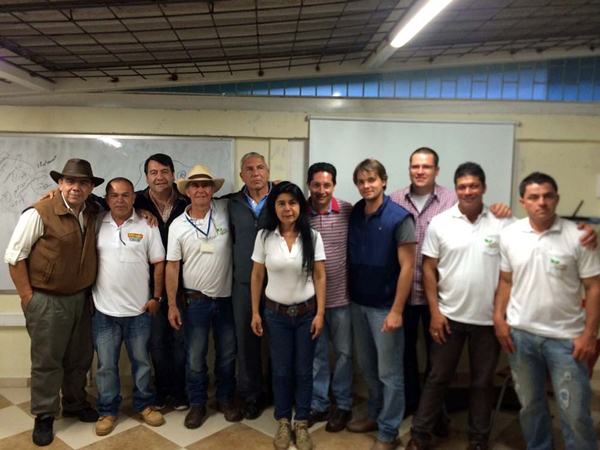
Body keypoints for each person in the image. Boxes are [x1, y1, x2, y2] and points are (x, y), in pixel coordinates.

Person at [406, 163, 512, 450]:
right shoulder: (440, 222)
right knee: (437, 378)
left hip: (488, 321)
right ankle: (420, 435)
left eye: (474, 186)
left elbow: (514, 265)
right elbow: (429, 269)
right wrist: (435, 313)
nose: (468, 191)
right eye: (462, 186)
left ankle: (478, 439)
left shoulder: (502, 223)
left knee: (482, 383)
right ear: (455, 190)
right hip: (448, 317)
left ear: (484, 188)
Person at [493, 172, 600, 450]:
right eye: (534, 197)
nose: (542, 202)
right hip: (521, 336)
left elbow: (594, 288)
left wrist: (590, 335)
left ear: (557, 199)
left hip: (566, 340)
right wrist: (498, 319)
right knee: (530, 406)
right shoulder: (509, 235)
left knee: (574, 412)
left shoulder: (579, 237)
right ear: (523, 202)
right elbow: (506, 281)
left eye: (547, 196)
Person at [4, 158, 102, 446]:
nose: (75, 187)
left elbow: (124, 202)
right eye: (70, 181)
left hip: (81, 298)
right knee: (47, 361)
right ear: (60, 183)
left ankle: (74, 402)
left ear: (90, 188)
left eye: (83, 182)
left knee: (79, 358)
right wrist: (27, 298)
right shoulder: (39, 212)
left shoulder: (93, 211)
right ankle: (45, 415)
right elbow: (14, 257)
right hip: (47, 301)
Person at [250, 181, 326, 450]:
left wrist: (320, 313)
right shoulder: (264, 237)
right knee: (281, 370)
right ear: (274, 207)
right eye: (281, 203)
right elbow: (257, 275)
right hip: (276, 315)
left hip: (306, 314)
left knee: (304, 370)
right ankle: (283, 421)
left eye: (292, 203)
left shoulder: (312, 236)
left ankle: (301, 422)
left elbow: (320, 276)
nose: (287, 208)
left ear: (300, 206)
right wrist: (255, 312)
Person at [347, 159, 416, 450]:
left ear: (384, 181)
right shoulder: (355, 213)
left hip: (386, 308)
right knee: (368, 367)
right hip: (358, 304)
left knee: (390, 373)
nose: (367, 186)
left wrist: (397, 310)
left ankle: (388, 432)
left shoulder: (400, 218)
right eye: (361, 182)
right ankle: (374, 415)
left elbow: (408, 267)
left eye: (372, 180)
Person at [166, 164, 242, 429]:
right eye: (195, 185)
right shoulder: (177, 225)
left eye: (205, 185)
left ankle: (225, 399)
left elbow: (251, 195)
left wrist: (274, 185)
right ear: (187, 191)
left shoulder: (224, 209)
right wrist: (172, 304)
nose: (200, 190)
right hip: (194, 302)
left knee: (227, 354)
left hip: (226, 299)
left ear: (212, 190)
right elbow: (172, 266)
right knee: (195, 357)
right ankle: (197, 403)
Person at [92, 177, 166, 436]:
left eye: (125, 195)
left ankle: (144, 404)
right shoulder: (96, 223)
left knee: (142, 362)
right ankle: (107, 411)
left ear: (134, 197)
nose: (120, 200)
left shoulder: (147, 224)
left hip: (139, 311)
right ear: (107, 199)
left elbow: (159, 263)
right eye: (114, 195)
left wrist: (157, 297)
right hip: (104, 311)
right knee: (106, 365)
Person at [134, 153, 189, 410]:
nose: (159, 177)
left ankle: (179, 392)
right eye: (153, 172)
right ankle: (162, 390)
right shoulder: (135, 200)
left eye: (164, 171)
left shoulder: (186, 200)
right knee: (156, 341)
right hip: (150, 284)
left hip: (182, 282)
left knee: (180, 339)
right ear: (146, 177)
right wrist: (138, 210)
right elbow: (102, 201)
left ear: (173, 174)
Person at [306, 162, 354, 432]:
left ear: (334, 185)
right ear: (309, 185)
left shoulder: (347, 210)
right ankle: (319, 403)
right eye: (316, 185)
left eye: (327, 185)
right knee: (318, 355)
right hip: (311, 301)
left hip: (342, 299)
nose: (321, 190)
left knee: (345, 354)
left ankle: (344, 404)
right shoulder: (300, 213)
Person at [228, 151, 272, 419]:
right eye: (249, 169)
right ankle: (250, 396)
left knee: (278, 341)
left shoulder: (282, 198)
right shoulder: (231, 203)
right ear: (241, 175)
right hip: (243, 283)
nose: (256, 173)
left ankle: (279, 393)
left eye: (260, 167)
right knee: (246, 342)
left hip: (278, 283)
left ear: (268, 171)